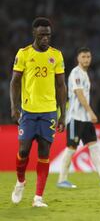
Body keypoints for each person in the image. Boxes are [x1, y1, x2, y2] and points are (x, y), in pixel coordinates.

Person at [10, 17, 67, 207]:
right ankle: (20, 181)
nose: (45, 38)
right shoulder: (24, 54)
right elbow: (15, 82)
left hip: (49, 112)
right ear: (34, 33)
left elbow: (61, 86)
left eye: (48, 35)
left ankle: (38, 198)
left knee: (44, 152)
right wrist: (14, 107)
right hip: (28, 111)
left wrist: (63, 114)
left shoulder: (56, 55)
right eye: (42, 35)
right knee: (23, 150)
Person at [57, 47, 100, 189]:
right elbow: (79, 94)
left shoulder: (85, 74)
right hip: (75, 117)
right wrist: (91, 112)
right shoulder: (76, 73)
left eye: (88, 57)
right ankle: (62, 180)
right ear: (78, 58)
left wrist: (88, 114)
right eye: (84, 57)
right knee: (71, 147)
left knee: (94, 146)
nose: (86, 59)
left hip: (84, 118)